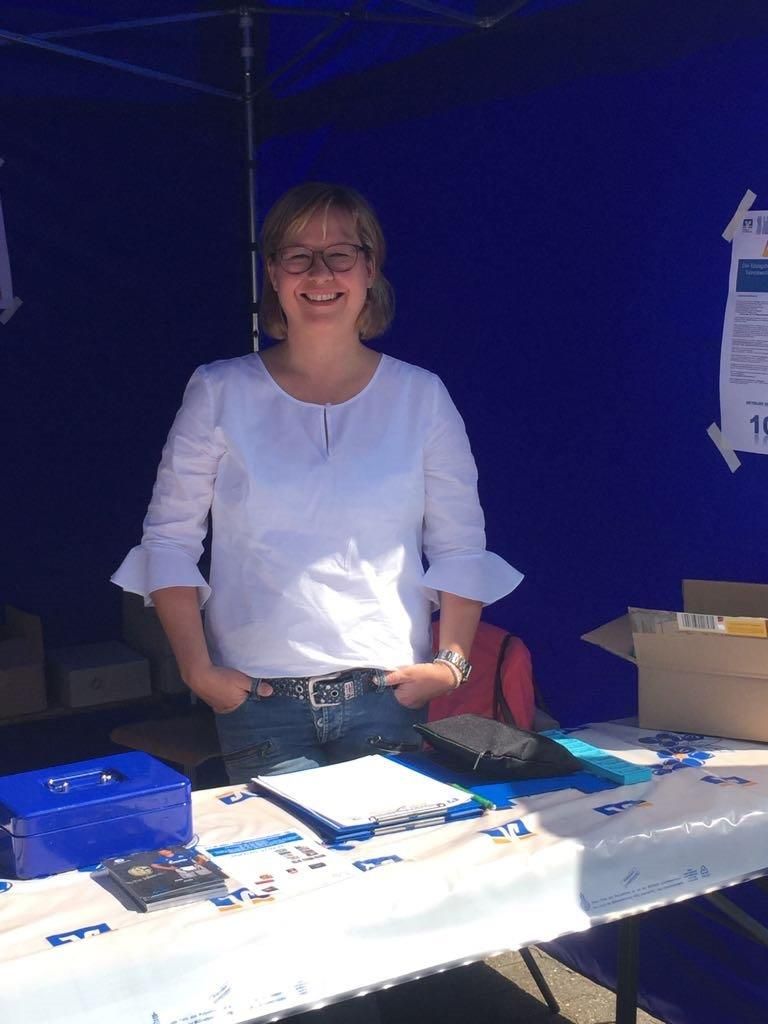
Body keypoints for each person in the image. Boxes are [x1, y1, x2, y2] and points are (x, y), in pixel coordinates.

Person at [112, 182, 522, 784]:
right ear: (273, 273)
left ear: (370, 268)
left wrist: (451, 664)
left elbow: (460, 544)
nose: (320, 273)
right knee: (283, 849)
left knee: (388, 846)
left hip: (387, 694)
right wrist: (197, 671)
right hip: (258, 700)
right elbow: (169, 539)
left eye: (340, 254)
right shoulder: (219, 390)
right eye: (298, 255)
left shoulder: (421, 396)